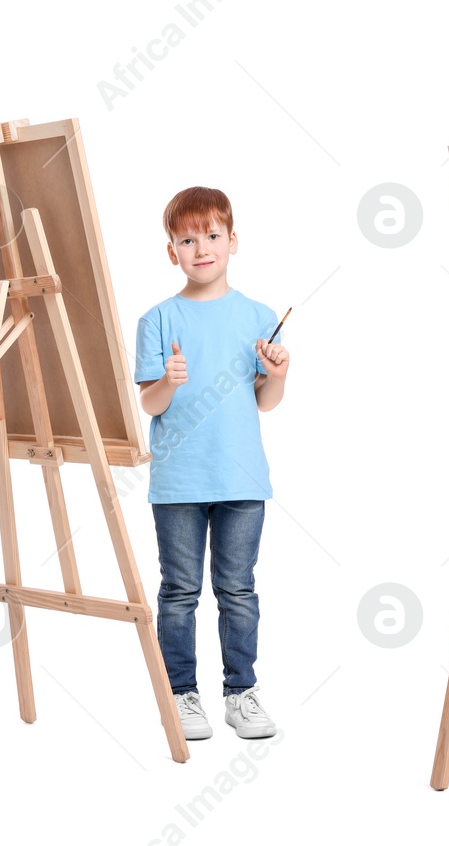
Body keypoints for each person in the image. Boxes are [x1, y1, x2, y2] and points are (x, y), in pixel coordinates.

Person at [134, 186, 290, 740]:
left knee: (238, 589)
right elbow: (149, 404)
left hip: (243, 478)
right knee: (179, 591)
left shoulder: (260, 316)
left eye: (213, 236)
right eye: (187, 239)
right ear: (170, 250)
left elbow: (264, 402)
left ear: (233, 241)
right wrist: (166, 383)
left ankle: (240, 692)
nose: (202, 248)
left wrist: (278, 371)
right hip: (177, 479)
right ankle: (181, 695)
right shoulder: (156, 319)